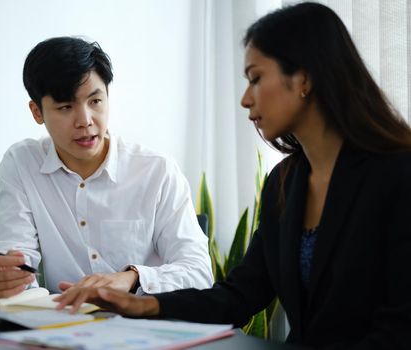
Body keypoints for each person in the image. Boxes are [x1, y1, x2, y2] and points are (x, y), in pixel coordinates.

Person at [55, 3, 411, 349]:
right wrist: (145, 304)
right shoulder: (283, 184)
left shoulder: (397, 174)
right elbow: (241, 295)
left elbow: (400, 329)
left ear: (303, 78)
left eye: (255, 78)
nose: (245, 99)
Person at [0, 37, 213, 298]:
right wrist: (5, 279)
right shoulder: (22, 163)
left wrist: (132, 277)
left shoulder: (156, 171)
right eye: (66, 107)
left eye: (95, 101)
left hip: (147, 327)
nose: (85, 121)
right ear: (37, 112)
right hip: (61, 328)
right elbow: (13, 259)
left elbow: (199, 272)